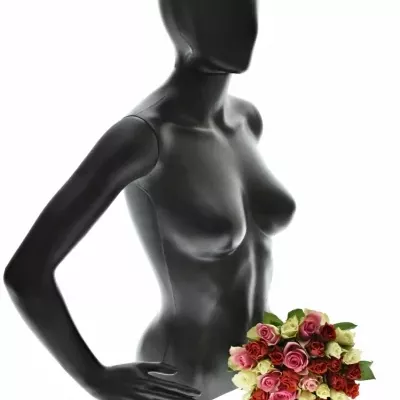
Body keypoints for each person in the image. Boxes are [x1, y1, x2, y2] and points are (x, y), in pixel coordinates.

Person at [3, 1, 296, 399]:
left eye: (244, 8)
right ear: (177, 16)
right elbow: (26, 273)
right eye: (215, 9)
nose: (238, 25)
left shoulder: (245, 120)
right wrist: (94, 378)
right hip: (178, 378)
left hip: (262, 373)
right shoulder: (144, 137)